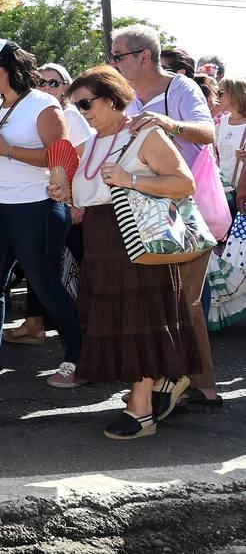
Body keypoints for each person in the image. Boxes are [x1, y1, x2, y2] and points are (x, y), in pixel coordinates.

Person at [57, 66, 200, 438]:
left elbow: (185, 183)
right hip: (102, 239)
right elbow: (92, 195)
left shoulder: (143, 135)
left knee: (137, 320)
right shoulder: (89, 144)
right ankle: (158, 384)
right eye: (76, 104)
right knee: (118, 320)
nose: (81, 110)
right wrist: (67, 194)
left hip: (135, 238)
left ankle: (142, 411)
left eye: (86, 102)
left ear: (112, 99)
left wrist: (130, 179)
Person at [110, 25, 220, 408]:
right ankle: (164, 381)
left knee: (185, 300)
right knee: (163, 302)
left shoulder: (181, 88)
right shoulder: (124, 95)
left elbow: (207, 132)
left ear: (143, 56)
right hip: (142, 209)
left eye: (117, 56)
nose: (113, 63)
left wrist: (167, 124)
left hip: (184, 209)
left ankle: (200, 385)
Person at [0, 41, 83, 387]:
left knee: (45, 284)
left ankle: (80, 357)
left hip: (36, 206)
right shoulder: (0, 105)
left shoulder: (44, 104)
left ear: (9, 68)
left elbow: (59, 156)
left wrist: (7, 149)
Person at [5, 62, 95, 346]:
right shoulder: (35, 114)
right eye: (40, 82)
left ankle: (93, 333)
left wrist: (75, 202)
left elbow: (81, 159)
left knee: (83, 263)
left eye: (53, 83)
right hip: (46, 199)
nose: (45, 87)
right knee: (41, 263)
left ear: (65, 87)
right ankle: (35, 324)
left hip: (71, 202)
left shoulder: (70, 115)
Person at [217, 79, 246, 215]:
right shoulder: (222, 122)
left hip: (242, 191)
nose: (217, 97)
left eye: (221, 93)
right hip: (222, 189)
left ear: (234, 94)